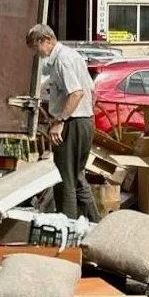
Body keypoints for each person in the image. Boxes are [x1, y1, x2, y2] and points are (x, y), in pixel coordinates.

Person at [26, 23, 100, 222]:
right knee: (76, 177)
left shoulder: (62, 60)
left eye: (35, 47)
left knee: (64, 178)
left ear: (46, 40)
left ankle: (67, 226)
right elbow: (93, 92)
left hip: (73, 123)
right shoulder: (72, 56)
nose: (36, 53)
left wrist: (60, 120)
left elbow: (76, 93)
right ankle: (95, 224)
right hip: (83, 121)